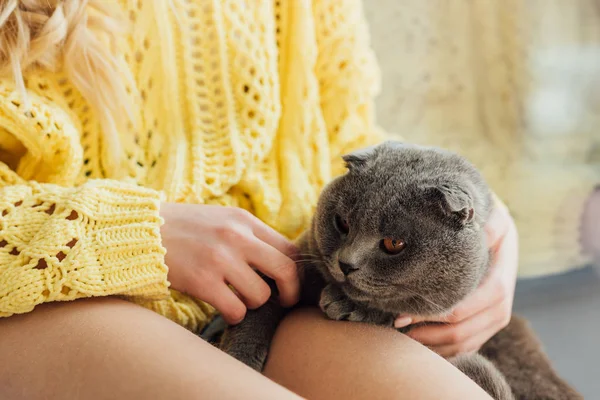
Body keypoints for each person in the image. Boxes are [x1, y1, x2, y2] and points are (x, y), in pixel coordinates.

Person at [0, 1, 516, 398]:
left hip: (276, 292)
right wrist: (128, 234)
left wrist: (486, 224)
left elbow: (343, 136)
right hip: (55, 296)